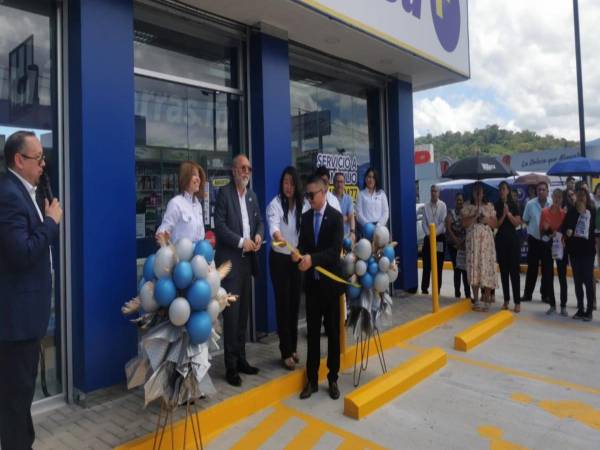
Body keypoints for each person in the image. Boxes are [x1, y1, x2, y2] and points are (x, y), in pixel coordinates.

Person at [0, 131, 63, 450]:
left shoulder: (26, 192)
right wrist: (51, 223)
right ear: (18, 160)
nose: (43, 163)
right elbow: (22, 252)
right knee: (15, 399)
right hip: (16, 320)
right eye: (37, 158)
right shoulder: (9, 194)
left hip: (26, 317)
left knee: (19, 395)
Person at [214, 154, 264, 387]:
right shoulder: (224, 194)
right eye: (243, 168)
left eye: (249, 169)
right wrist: (241, 241)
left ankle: (242, 359)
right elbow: (220, 228)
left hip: (247, 264)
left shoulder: (252, 196)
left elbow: (260, 222)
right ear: (233, 171)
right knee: (231, 317)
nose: (246, 172)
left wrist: (257, 236)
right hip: (231, 264)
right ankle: (231, 366)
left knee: (243, 314)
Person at [294, 175, 344, 400]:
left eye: (312, 195)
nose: (309, 199)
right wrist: (297, 256)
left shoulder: (336, 218)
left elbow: (334, 252)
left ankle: (333, 378)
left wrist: (312, 260)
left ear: (324, 193)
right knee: (312, 335)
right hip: (312, 288)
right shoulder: (304, 218)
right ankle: (312, 380)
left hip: (331, 288)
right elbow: (303, 246)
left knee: (333, 334)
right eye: (306, 195)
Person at [266, 166, 303, 370]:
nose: (288, 187)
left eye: (291, 183)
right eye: (285, 183)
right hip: (279, 260)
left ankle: (294, 348)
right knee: (283, 305)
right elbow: (273, 226)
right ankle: (285, 352)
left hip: (295, 259)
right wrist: (277, 236)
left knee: (295, 304)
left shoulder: (301, 204)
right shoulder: (275, 204)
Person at [461, 182, 497, 311]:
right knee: (474, 268)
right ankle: (476, 299)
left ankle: (487, 298)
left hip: (486, 243)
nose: (477, 193)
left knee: (486, 268)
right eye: (475, 191)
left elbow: (494, 224)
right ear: (472, 193)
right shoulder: (467, 206)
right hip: (473, 244)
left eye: (479, 191)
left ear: (483, 193)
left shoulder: (489, 206)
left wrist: (485, 219)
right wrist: (474, 215)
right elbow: (464, 223)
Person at [562, 186, 596, 321]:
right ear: (575, 196)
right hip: (574, 252)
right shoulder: (570, 212)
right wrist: (567, 231)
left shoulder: (591, 211)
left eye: (584, 196)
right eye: (579, 195)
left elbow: (592, 230)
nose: (581, 198)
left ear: (587, 198)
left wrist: (584, 214)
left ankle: (589, 310)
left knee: (588, 281)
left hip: (587, 252)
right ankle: (580, 308)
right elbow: (565, 227)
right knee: (577, 282)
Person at [155, 161, 206, 243]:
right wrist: (164, 237)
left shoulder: (198, 205)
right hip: (180, 255)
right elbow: (162, 233)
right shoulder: (176, 203)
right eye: (194, 175)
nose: (198, 178)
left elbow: (201, 236)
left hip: (197, 254)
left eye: (199, 176)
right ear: (185, 177)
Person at [494, 181, 522, 313]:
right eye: (500, 189)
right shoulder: (496, 205)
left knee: (514, 273)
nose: (501, 191)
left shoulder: (514, 204)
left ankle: (517, 302)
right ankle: (506, 300)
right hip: (501, 241)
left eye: (503, 189)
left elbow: (517, 223)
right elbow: (496, 225)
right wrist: (504, 214)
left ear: (508, 191)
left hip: (513, 241)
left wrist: (509, 214)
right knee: (504, 272)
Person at [522, 182, 552, 303]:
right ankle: (527, 294)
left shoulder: (552, 205)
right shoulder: (530, 204)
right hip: (534, 240)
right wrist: (533, 229)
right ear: (536, 191)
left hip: (547, 241)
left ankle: (545, 295)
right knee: (532, 269)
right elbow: (525, 220)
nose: (541, 192)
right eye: (539, 190)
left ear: (547, 191)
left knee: (547, 269)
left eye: (543, 190)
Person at [540, 189, 567, 315]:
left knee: (562, 277)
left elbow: (566, 232)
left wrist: (556, 233)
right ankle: (552, 305)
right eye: (555, 197)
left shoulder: (564, 214)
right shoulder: (544, 212)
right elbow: (541, 231)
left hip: (560, 247)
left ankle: (563, 306)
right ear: (552, 197)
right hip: (548, 246)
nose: (557, 199)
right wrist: (548, 232)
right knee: (548, 276)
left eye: (559, 197)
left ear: (561, 199)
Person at [420, 184, 446, 295]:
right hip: (428, 238)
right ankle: (424, 289)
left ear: (439, 193)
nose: (433, 193)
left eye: (435, 191)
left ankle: (437, 290)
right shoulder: (426, 206)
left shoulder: (443, 206)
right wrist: (429, 235)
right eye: (432, 191)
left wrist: (434, 234)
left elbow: (442, 223)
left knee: (438, 265)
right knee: (426, 264)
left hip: (439, 238)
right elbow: (424, 223)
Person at [445, 193, 470, 299]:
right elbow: (448, 227)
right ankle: (457, 294)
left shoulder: (467, 213)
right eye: (458, 200)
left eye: (461, 200)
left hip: (464, 245)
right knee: (457, 270)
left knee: (465, 270)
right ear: (455, 201)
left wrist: (463, 242)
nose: (460, 201)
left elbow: (469, 227)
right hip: (453, 245)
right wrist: (457, 242)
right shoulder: (451, 212)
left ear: (463, 202)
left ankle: (468, 295)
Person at [355, 167, 389, 233]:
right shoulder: (361, 194)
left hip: (380, 229)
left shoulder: (381, 193)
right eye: (369, 177)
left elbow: (386, 212)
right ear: (365, 179)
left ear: (376, 180)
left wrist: (378, 225)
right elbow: (358, 214)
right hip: (366, 229)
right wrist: (368, 225)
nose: (371, 180)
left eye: (373, 177)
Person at [333, 172, 356, 242]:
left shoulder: (349, 199)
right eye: (337, 182)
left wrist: (352, 232)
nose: (339, 184)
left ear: (344, 184)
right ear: (333, 183)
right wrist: (344, 218)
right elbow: (331, 219)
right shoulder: (329, 198)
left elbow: (351, 217)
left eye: (341, 182)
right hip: (333, 236)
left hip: (347, 235)